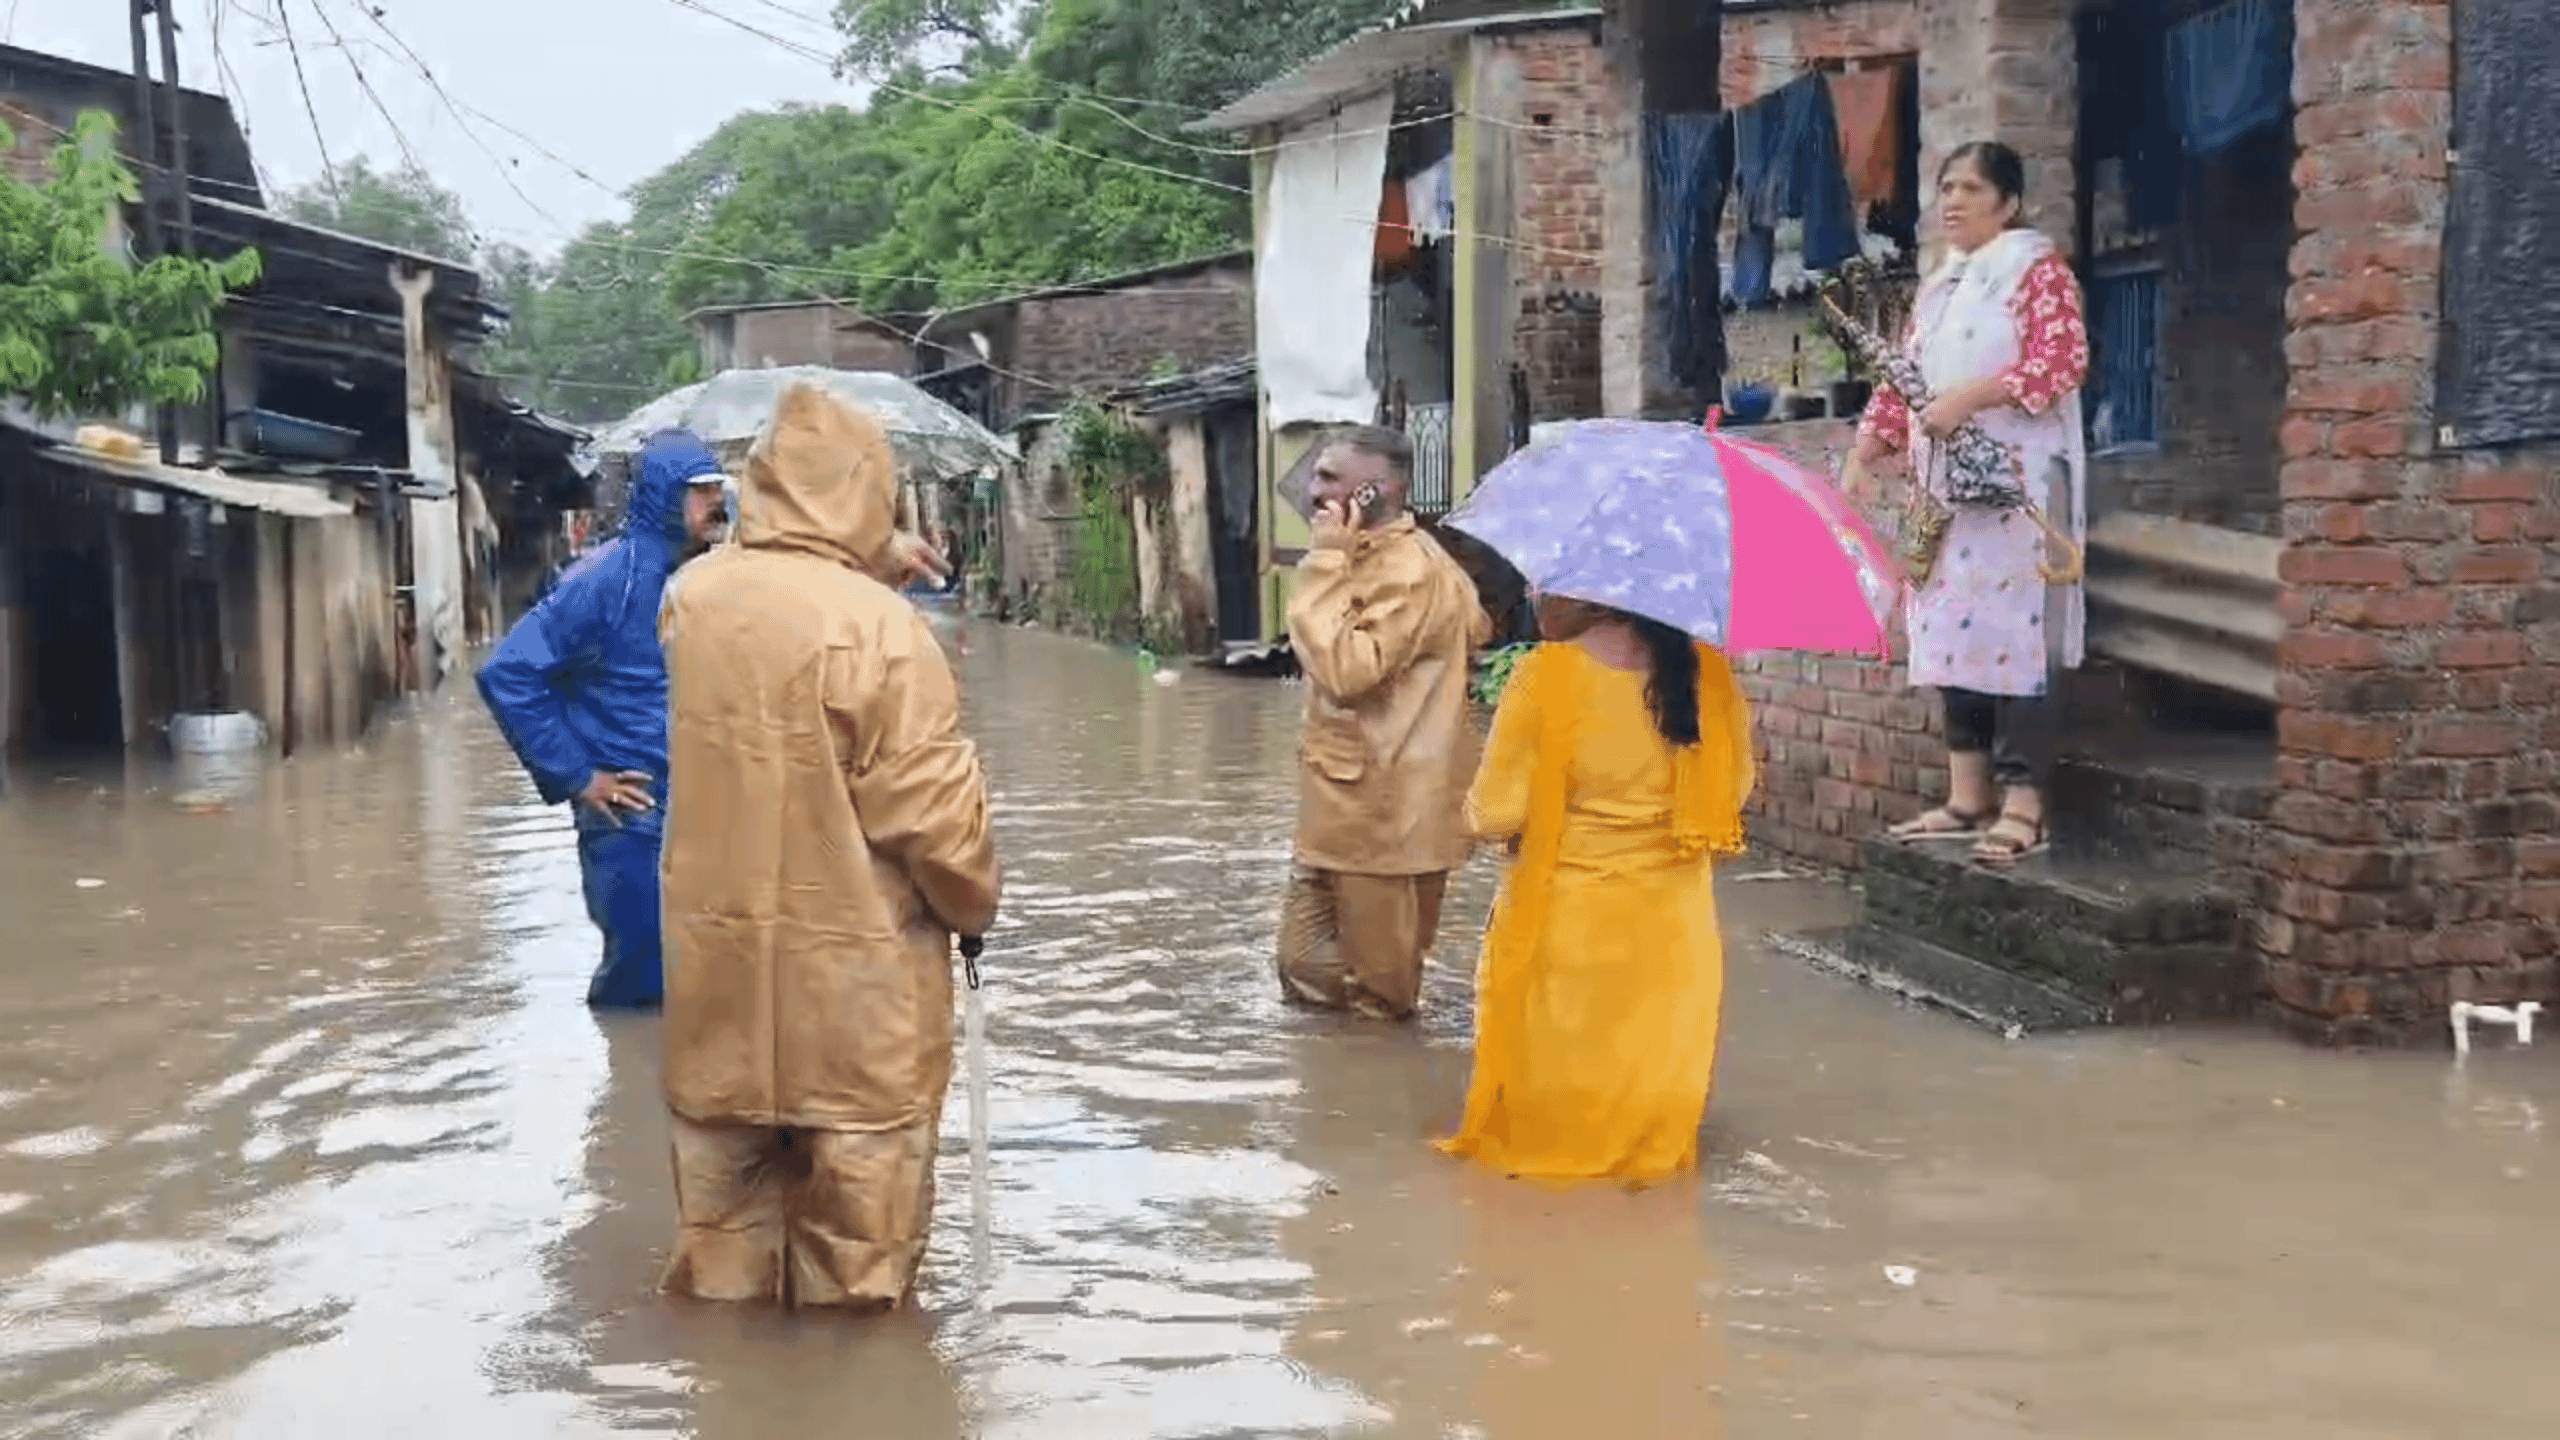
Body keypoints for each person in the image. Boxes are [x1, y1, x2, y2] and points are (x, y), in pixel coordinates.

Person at [655, 380, 1000, 1311]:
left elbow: (774, 613)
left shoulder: (690, 601)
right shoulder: (885, 632)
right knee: (858, 1281)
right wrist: (976, 910)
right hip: (857, 1008)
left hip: (716, 988)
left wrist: (853, 566)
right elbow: (934, 826)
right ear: (868, 492)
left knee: (724, 1273)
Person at [1435, 597, 1755, 1184]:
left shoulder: (1544, 674)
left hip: (1569, 915)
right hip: (1675, 923)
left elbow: (1496, 813)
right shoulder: (1710, 676)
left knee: (1553, 1123)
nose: (1535, 595)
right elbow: (1730, 795)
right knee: (1652, 1082)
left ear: (1589, 590)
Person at [1852, 138, 2091, 866]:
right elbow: (1904, 381)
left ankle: (2024, 803)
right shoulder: (1941, 287)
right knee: (1952, 629)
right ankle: (1967, 795)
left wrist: (1972, 397)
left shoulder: (2036, 273)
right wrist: (1865, 453)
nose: (1952, 201)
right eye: (1946, 187)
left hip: (2019, 485)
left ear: (2009, 204)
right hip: (1946, 489)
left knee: (2019, 637)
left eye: (1971, 189)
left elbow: (2061, 363)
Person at [477, 430, 729, 1009]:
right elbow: (508, 674)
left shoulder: (708, 580)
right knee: (640, 975)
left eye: (719, 490)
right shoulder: (603, 581)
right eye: (700, 492)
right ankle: (625, 1087)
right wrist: (579, 777)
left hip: (699, 814)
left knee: (701, 977)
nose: (715, 505)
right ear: (666, 497)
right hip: (629, 822)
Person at [1276, 424, 1491, 1022]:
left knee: (1382, 999)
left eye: (1329, 478)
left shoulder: (1409, 571)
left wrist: (1322, 561)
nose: (1312, 491)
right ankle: (1334, 1100)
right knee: (1303, 968)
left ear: (1373, 492)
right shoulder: (1364, 557)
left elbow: (1347, 672)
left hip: (1389, 816)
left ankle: (1390, 1104)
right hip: (1336, 807)